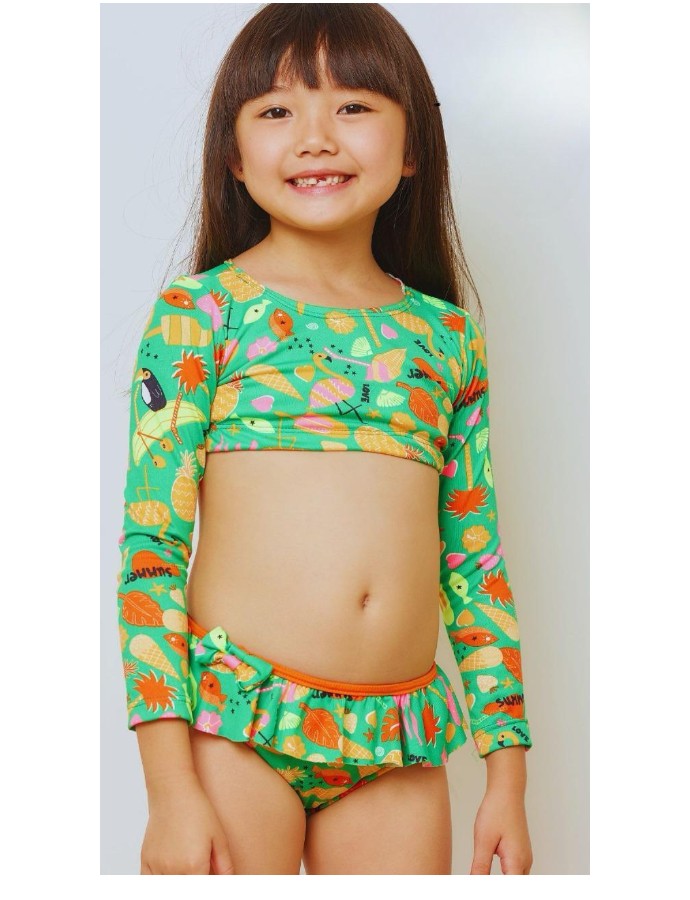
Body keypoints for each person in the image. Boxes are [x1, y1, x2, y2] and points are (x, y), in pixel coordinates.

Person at [115, 2, 534, 876]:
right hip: (236, 725)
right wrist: (169, 789)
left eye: (353, 106)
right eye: (276, 110)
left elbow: (475, 558)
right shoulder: (202, 314)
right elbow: (152, 551)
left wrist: (506, 770)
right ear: (234, 155)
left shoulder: (447, 338)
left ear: (413, 148)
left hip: (397, 737)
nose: (315, 138)